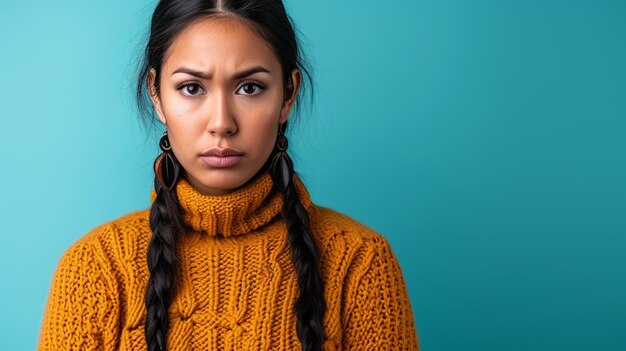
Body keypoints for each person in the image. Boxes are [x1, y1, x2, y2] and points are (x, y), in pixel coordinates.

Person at [36, 1, 420, 350]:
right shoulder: (94, 269)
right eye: (191, 88)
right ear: (157, 95)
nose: (221, 123)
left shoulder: (360, 263)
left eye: (250, 87)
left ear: (288, 94)